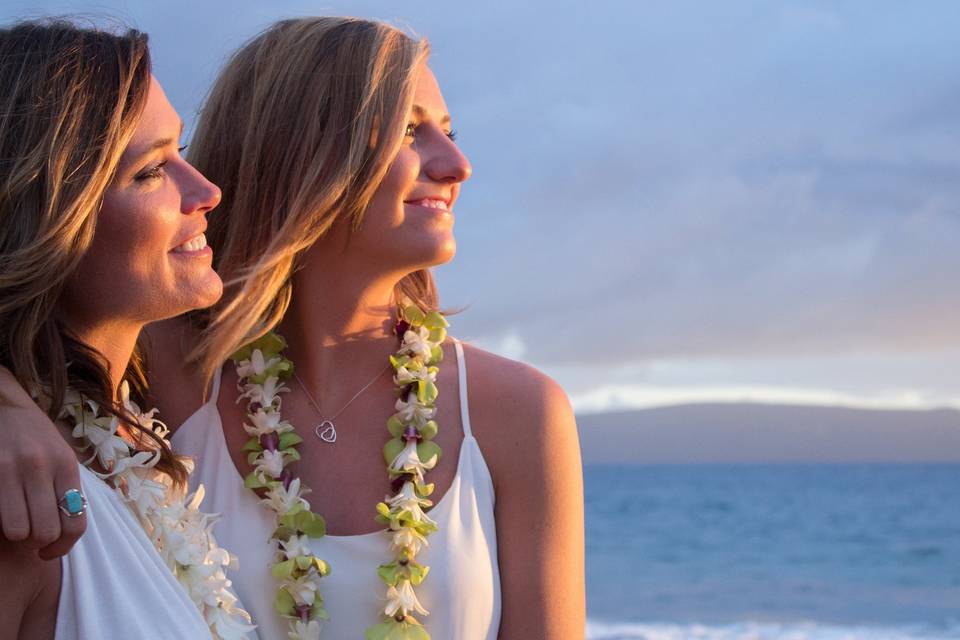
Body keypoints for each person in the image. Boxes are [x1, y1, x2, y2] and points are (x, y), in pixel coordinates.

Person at [0, 16, 585, 640]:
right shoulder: (157, 375)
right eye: (410, 131)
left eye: (449, 130)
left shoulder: (515, 411)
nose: (457, 164)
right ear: (301, 151)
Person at [0, 19, 251, 639]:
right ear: (47, 217)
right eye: (149, 171)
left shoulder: (137, 432)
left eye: (181, 153)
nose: (208, 192)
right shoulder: (21, 498)